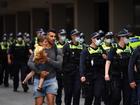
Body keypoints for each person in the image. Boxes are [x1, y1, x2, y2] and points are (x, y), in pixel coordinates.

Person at [28, 29, 63, 105]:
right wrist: (39, 72)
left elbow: (59, 65)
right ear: (46, 36)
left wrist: (47, 59)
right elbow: (29, 63)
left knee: (51, 103)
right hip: (38, 80)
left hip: (51, 80)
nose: (53, 38)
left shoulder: (57, 50)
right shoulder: (38, 49)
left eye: (54, 36)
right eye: (51, 36)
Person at [105, 30, 132, 105]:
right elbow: (108, 61)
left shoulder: (129, 48)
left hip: (126, 76)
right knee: (116, 97)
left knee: (127, 97)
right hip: (116, 76)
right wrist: (106, 74)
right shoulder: (114, 48)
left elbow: (133, 62)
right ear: (121, 38)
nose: (128, 38)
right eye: (127, 37)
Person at [80, 32, 106, 105]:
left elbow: (107, 60)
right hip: (89, 76)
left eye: (99, 38)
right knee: (89, 97)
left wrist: (105, 57)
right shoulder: (86, 51)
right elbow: (82, 64)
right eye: (97, 38)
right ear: (92, 39)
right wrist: (82, 75)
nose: (99, 40)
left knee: (98, 95)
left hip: (99, 75)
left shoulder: (101, 49)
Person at [62, 28, 83, 105]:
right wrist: (62, 73)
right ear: (72, 36)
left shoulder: (82, 46)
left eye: (78, 35)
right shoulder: (67, 46)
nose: (77, 36)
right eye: (76, 35)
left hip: (78, 73)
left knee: (77, 92)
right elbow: (63, 61)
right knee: (68, 93)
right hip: (68, 74)